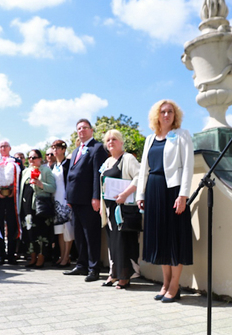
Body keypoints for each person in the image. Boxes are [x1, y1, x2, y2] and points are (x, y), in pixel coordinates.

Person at [136, 99, 193, 303]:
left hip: (173, 191)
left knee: (174, 239)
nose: (166, 115)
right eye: (163, 112)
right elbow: (144, 169)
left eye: (170, 112)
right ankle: (165, 282)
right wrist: (140, 195)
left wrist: (183, 195)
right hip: (154, 190)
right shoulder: (150, 139)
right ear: (157, 116)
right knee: (160, 238)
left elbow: (188, 166)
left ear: (175, 115)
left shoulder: (182, 135)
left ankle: (174, 286)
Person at [64, 119, 108, 282]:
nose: (81, 131)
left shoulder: (97, 148)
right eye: (79, 129)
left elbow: (98, 174)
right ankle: (81, 265)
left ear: (91, 130)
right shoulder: (76, 151)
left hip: (90, 200)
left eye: (84, 128)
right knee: (79, 235)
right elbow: (71, 175)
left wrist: (96, 196)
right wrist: (69, 197)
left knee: (92, 235)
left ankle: (93, 268)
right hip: (75, 200)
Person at [99, 130, 140, 289]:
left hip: (124, 209)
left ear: (121, 142)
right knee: (113, 243)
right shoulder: (108, 162)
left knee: (124, 242)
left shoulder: (128, 158)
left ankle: (125, 277)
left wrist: (124, 194)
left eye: (114, 139)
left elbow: (139, 177)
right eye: (108, 140)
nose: (111, 142)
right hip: (110, 210)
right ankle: (113, 274)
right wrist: (103, 207)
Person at [0, 141, 22, 265]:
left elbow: (21, 178)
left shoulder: (17, 162)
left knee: (12, 226)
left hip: (12, 199)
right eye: (1, 146)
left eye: (6, 146)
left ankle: (11, 255)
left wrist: (15, 189)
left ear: (10, 148)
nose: (3, 148)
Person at [18, 149, 56, 267]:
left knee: (41, 233)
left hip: (40, 207)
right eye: (29, 158)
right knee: (29, 233)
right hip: (26, 207)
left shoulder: (46, 170)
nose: (31, 160)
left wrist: (41, 184)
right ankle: (32, 256)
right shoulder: (25, 172)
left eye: (34, 157)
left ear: (40, 159)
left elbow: (53, 188)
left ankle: (41, 257)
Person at [50, 140, 74, 268]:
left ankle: (66, 256)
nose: (55, 150)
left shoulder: (68, 164)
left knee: (67, 229)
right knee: (59, 230)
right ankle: (62, 255)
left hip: (66, 200)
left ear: (64, 149)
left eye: (58, 147)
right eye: (53, 147)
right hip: (56, 200)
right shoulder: (54, 166)